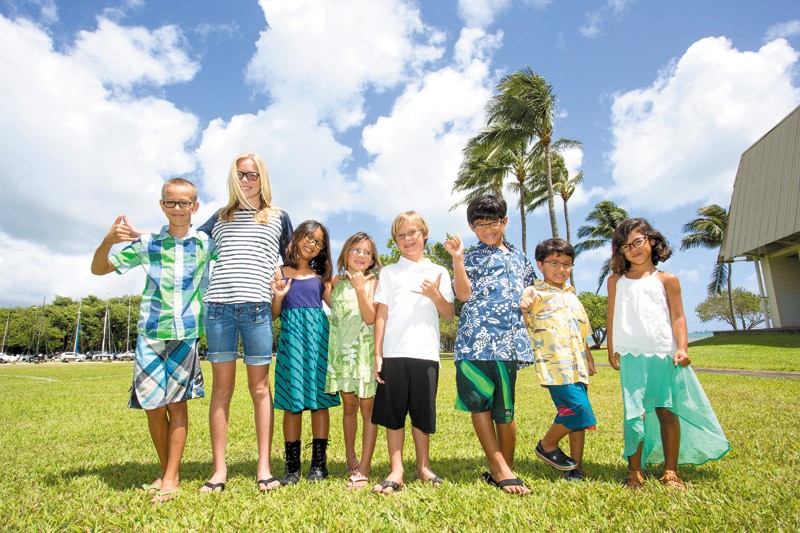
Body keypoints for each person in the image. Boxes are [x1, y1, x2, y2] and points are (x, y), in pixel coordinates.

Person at [90, 178, 212, 503]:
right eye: (170, 202)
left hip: (185, 335)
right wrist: (107, 240)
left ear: (194, 207)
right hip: (150, 334)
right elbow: (99, 268)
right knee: (153, 408)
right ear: (162, 205)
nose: (177, 208)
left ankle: (171, 477)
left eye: (184, 203)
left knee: (177, 404)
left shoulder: (204, 244)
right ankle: (166, 470)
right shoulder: (148, 245)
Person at [606, 218, 730, 491]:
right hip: (630, 354)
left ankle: (670, 470)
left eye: (638, 241)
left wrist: (683, 348)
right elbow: (612, 315)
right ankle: (634, 471)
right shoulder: (616, 281)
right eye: (626, 246)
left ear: (651, 240)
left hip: (663, 351)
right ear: (620, 252)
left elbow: (677, 317)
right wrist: (611, 347)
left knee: (666, 410)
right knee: (634, 413)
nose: (634, 249)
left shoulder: (667, 279)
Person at [198, 153, 293, 493]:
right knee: (222, 390)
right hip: (218, 309)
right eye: (241, 174)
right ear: (233, 177)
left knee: (259, 389)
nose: (247, 180)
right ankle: (219, 470)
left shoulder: (279, 217)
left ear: (262, 178)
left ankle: (264, 468)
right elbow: (188, 249)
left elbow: (291, 262)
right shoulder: (219, 218)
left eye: (253, 175)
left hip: (257, 310)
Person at [444, 195, 535, 495]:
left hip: (508, 344)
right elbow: (463, 295)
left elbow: (532, 288)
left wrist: (531, 297)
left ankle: (502, 468)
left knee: (505, 409)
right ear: (472, 227)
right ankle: (500, 469)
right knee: (480, 405)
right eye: (480, 225)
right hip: (474, 342)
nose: (488, 229)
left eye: (493, 223)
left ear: (504, 221)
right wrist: (457, 259)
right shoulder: (468, 257)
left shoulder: (521, 258)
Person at [371, 211, 455, 494]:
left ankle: (423, 466)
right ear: (395, 240)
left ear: (424, 234)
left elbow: (448, 314)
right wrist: (378, 354)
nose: (407, 239)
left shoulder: (439, 271)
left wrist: (435, 295)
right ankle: (396, 470)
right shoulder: (389, 272)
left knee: (422, 414)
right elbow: (381, 314)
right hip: (393, 353)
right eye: (401, 235)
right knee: (393, 415)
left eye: (412, 233)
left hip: (425, 354)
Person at [520, 238, 596, 482]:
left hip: (578, 366)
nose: (561, 269)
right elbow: (523, 318)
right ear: (540, 264)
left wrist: (589, 358)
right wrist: (524, 307)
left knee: (573, 419)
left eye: (566, 264)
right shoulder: (534, 292)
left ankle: (574, 468)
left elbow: (582, 332)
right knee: (579, 411)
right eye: (554, 263)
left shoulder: (573, 296)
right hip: (555, 366)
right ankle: (547, 445)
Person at [271, 220, 340, 484]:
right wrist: (278, 296)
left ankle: (319, 466)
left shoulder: (320, 276)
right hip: (292, 342)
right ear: (298, 237)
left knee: (319, 404)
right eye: (309, 238)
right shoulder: (279, 271)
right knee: (292, 404)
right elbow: (274, 315)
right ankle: (291, 468)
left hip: (319, 342)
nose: (312, 244)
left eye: (318, 242)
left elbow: (337, 307)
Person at [325, 232, 382, 489]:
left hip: (364, 355)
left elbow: (370, 318)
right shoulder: (335, 282)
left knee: (368, 410)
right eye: (356, 250)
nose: (361, 255)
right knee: (349, 407)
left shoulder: (372, 282)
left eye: (367, 252)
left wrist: (360, 288)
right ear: (346, 253)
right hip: (341, 356)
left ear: (372, 260)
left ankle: (366, 465)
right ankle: (351, 457)